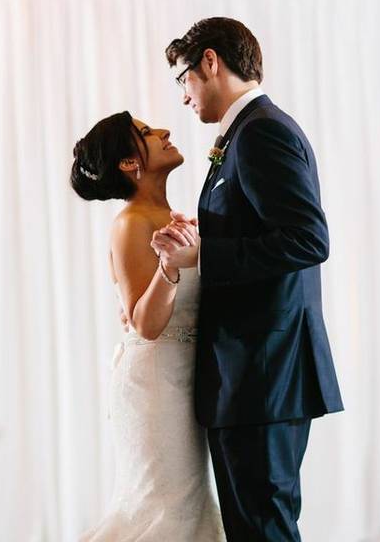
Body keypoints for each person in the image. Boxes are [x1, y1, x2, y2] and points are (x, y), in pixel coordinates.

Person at [154, 17, 344, 541]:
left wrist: (204, 255)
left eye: (182, 79)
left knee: (263, 528)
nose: (183, 96)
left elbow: (309, 240)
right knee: (251, 528)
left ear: (210, 62)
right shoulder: (244, 132)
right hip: (251, 376)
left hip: (265, 374)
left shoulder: (261, 131)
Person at [71, 111, 224, 541]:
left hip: (185, 378)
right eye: (145, 133)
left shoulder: (173, 218)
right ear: (127, 163)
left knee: (187, 507)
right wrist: (170, 267)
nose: (164, 132)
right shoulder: (130, 224)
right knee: (166, 510)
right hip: (155, 387)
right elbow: (145, 323)